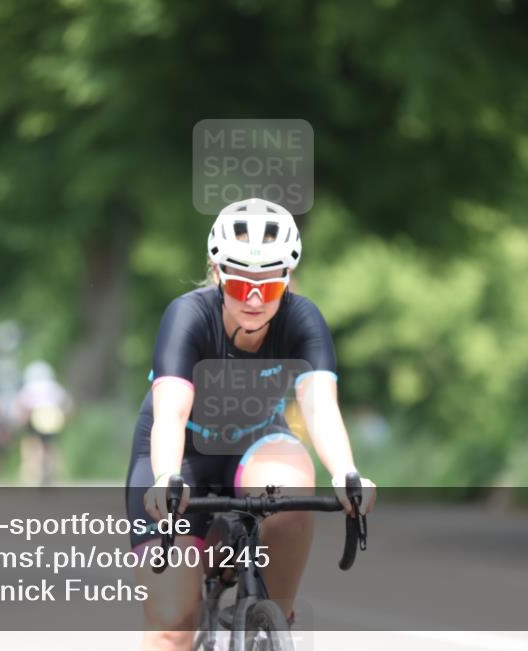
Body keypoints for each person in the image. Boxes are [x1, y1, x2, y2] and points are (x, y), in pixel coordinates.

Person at [125, 198, 376, 651]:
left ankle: (271, 615)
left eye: (269, 284)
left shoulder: (303, 320)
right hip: (183, 452)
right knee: (170, 626)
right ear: (218, 274)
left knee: (295, 495)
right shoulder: (188, 316)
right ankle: (197, 577)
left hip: (256, 445)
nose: (255, 299)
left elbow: (319, 406)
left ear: (287, 279)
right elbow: (171, 414)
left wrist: (345, 472)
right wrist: (165, 478)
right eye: (241, 285)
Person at [16, 360, 72, 485]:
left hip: (36, 418)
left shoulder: (29, 388)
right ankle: (53, 474)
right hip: (53, 419)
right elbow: (67, 403)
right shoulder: (55, 387)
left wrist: (22, 423)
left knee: (31, 446)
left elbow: (21, 407)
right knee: (51, 447)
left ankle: (32, 474)